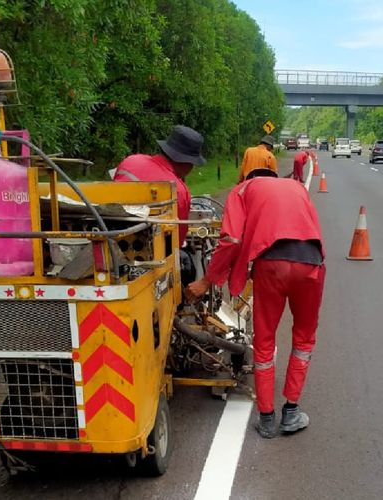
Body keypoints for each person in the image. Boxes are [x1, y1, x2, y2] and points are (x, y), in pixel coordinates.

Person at [186, 169, 325, 439]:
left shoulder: (242, 191)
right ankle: (292, 412)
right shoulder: (297, 188)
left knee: (264, 341)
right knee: (304, 339)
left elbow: (232, 240)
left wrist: (208, 280)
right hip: (312, 263)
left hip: (271, 265)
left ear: (246, 178)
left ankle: (266, 418)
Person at [113, 125, 205, 245]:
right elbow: (177, 239)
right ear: (186, 163)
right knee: (185, 258)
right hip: (148, 249)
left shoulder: (130, 161)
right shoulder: (178, 190)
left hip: (111, 235)